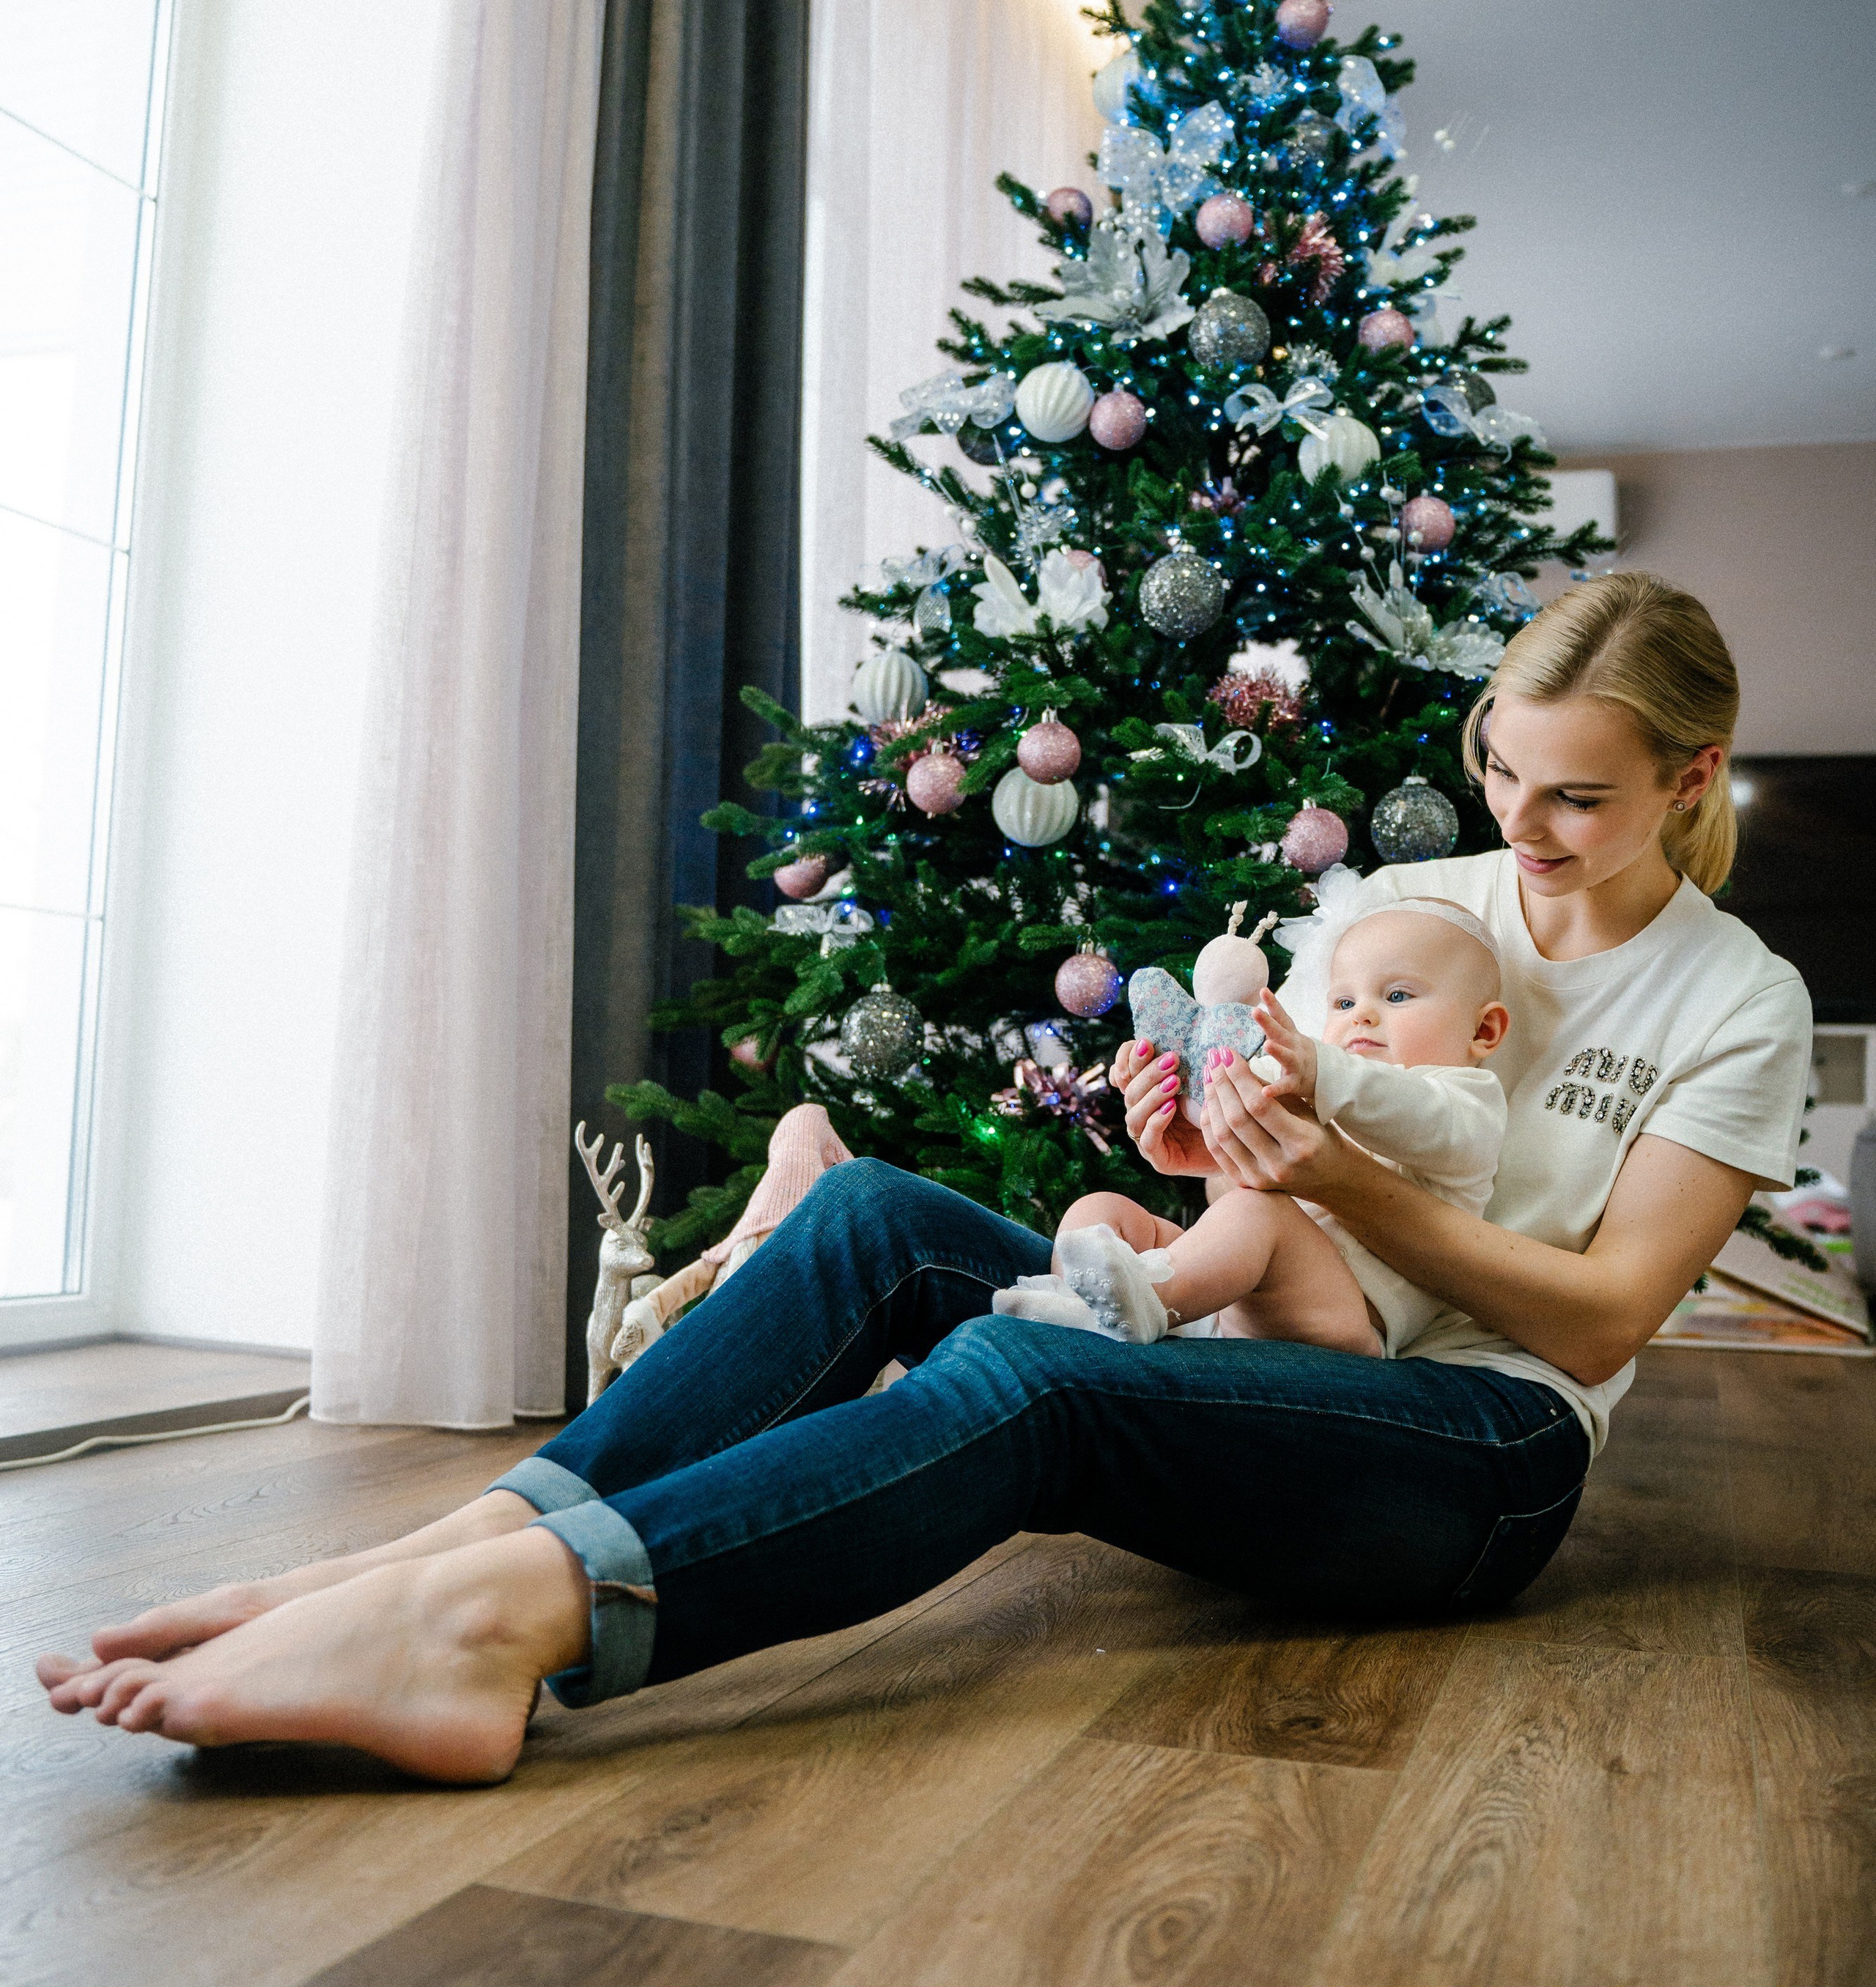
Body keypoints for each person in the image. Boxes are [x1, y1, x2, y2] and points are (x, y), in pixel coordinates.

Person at [37, 573, 1812, 1785]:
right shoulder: (1396, 912)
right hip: (1288, 1349)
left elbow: (1597, 1319)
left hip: (1471, 1453)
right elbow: (1254, 1217)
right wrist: (1200, 1153)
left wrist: (1347, 1177)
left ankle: (499, 1626)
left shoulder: (1733, 999)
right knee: (872, 1210)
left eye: (1572, 796)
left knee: (1038, 1379)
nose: (1516, 820)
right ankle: (439, 1551)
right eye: (1495, 766)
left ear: (1687, 775)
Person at [993, 898, 1510, 1355]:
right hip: (1226, 1299)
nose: (1362, 1018)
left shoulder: (1466, 1102)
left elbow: (1409, 1113)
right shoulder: (1325, 1088)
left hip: (1344, 1315)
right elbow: (1246, 1112)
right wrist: (1175, 1088)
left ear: (1483, 1030)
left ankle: (1141, 1303)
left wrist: (1320, 1068)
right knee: (1101, 1211)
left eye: (1397, 996)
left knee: (1256, 1212)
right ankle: (1076, 1313)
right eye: (1344, 1003)